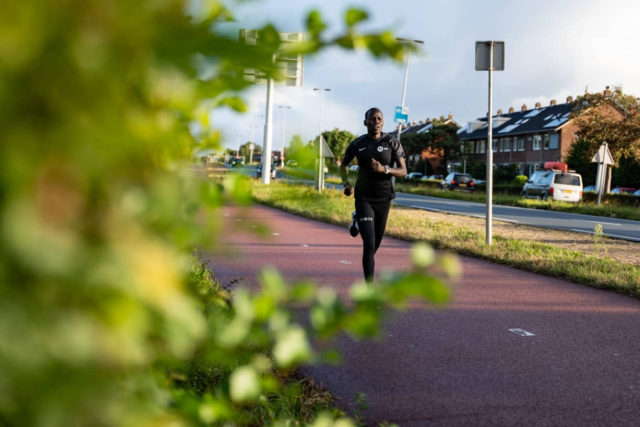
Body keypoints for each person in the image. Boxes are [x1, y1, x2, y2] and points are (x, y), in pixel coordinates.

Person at [340, 108, 407, 282]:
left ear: (383, 122)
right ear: (366, 122)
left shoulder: (392, 143)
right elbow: (343, 165)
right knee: (368, 246)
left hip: (384, 198)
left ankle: (357, 221)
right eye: (372, 119)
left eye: (379, 119)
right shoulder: (357, 144)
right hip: (363, 197)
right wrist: (346, 183)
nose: (376, 121)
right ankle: (370, 289)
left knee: (375, 245)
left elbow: (403, 171)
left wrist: (385, 169)